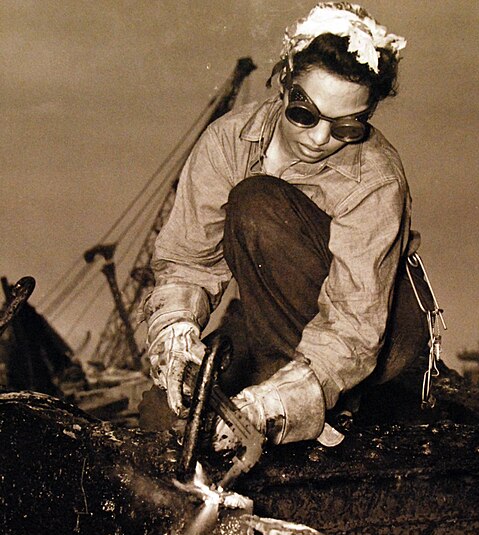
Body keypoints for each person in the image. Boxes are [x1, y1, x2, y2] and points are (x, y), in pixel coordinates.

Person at [140, 2, 432, 449]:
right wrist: (176, 331)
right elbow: (188, 260)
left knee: (256, 202)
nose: (319, 139)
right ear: (284, 84)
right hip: (273, 320)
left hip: (377, 335)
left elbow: (354, 325)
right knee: (163, 414)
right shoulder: (228, 140)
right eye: (305, 115)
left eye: (347, 127)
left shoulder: (377, 179)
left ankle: (333, 407)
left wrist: (280, 403)